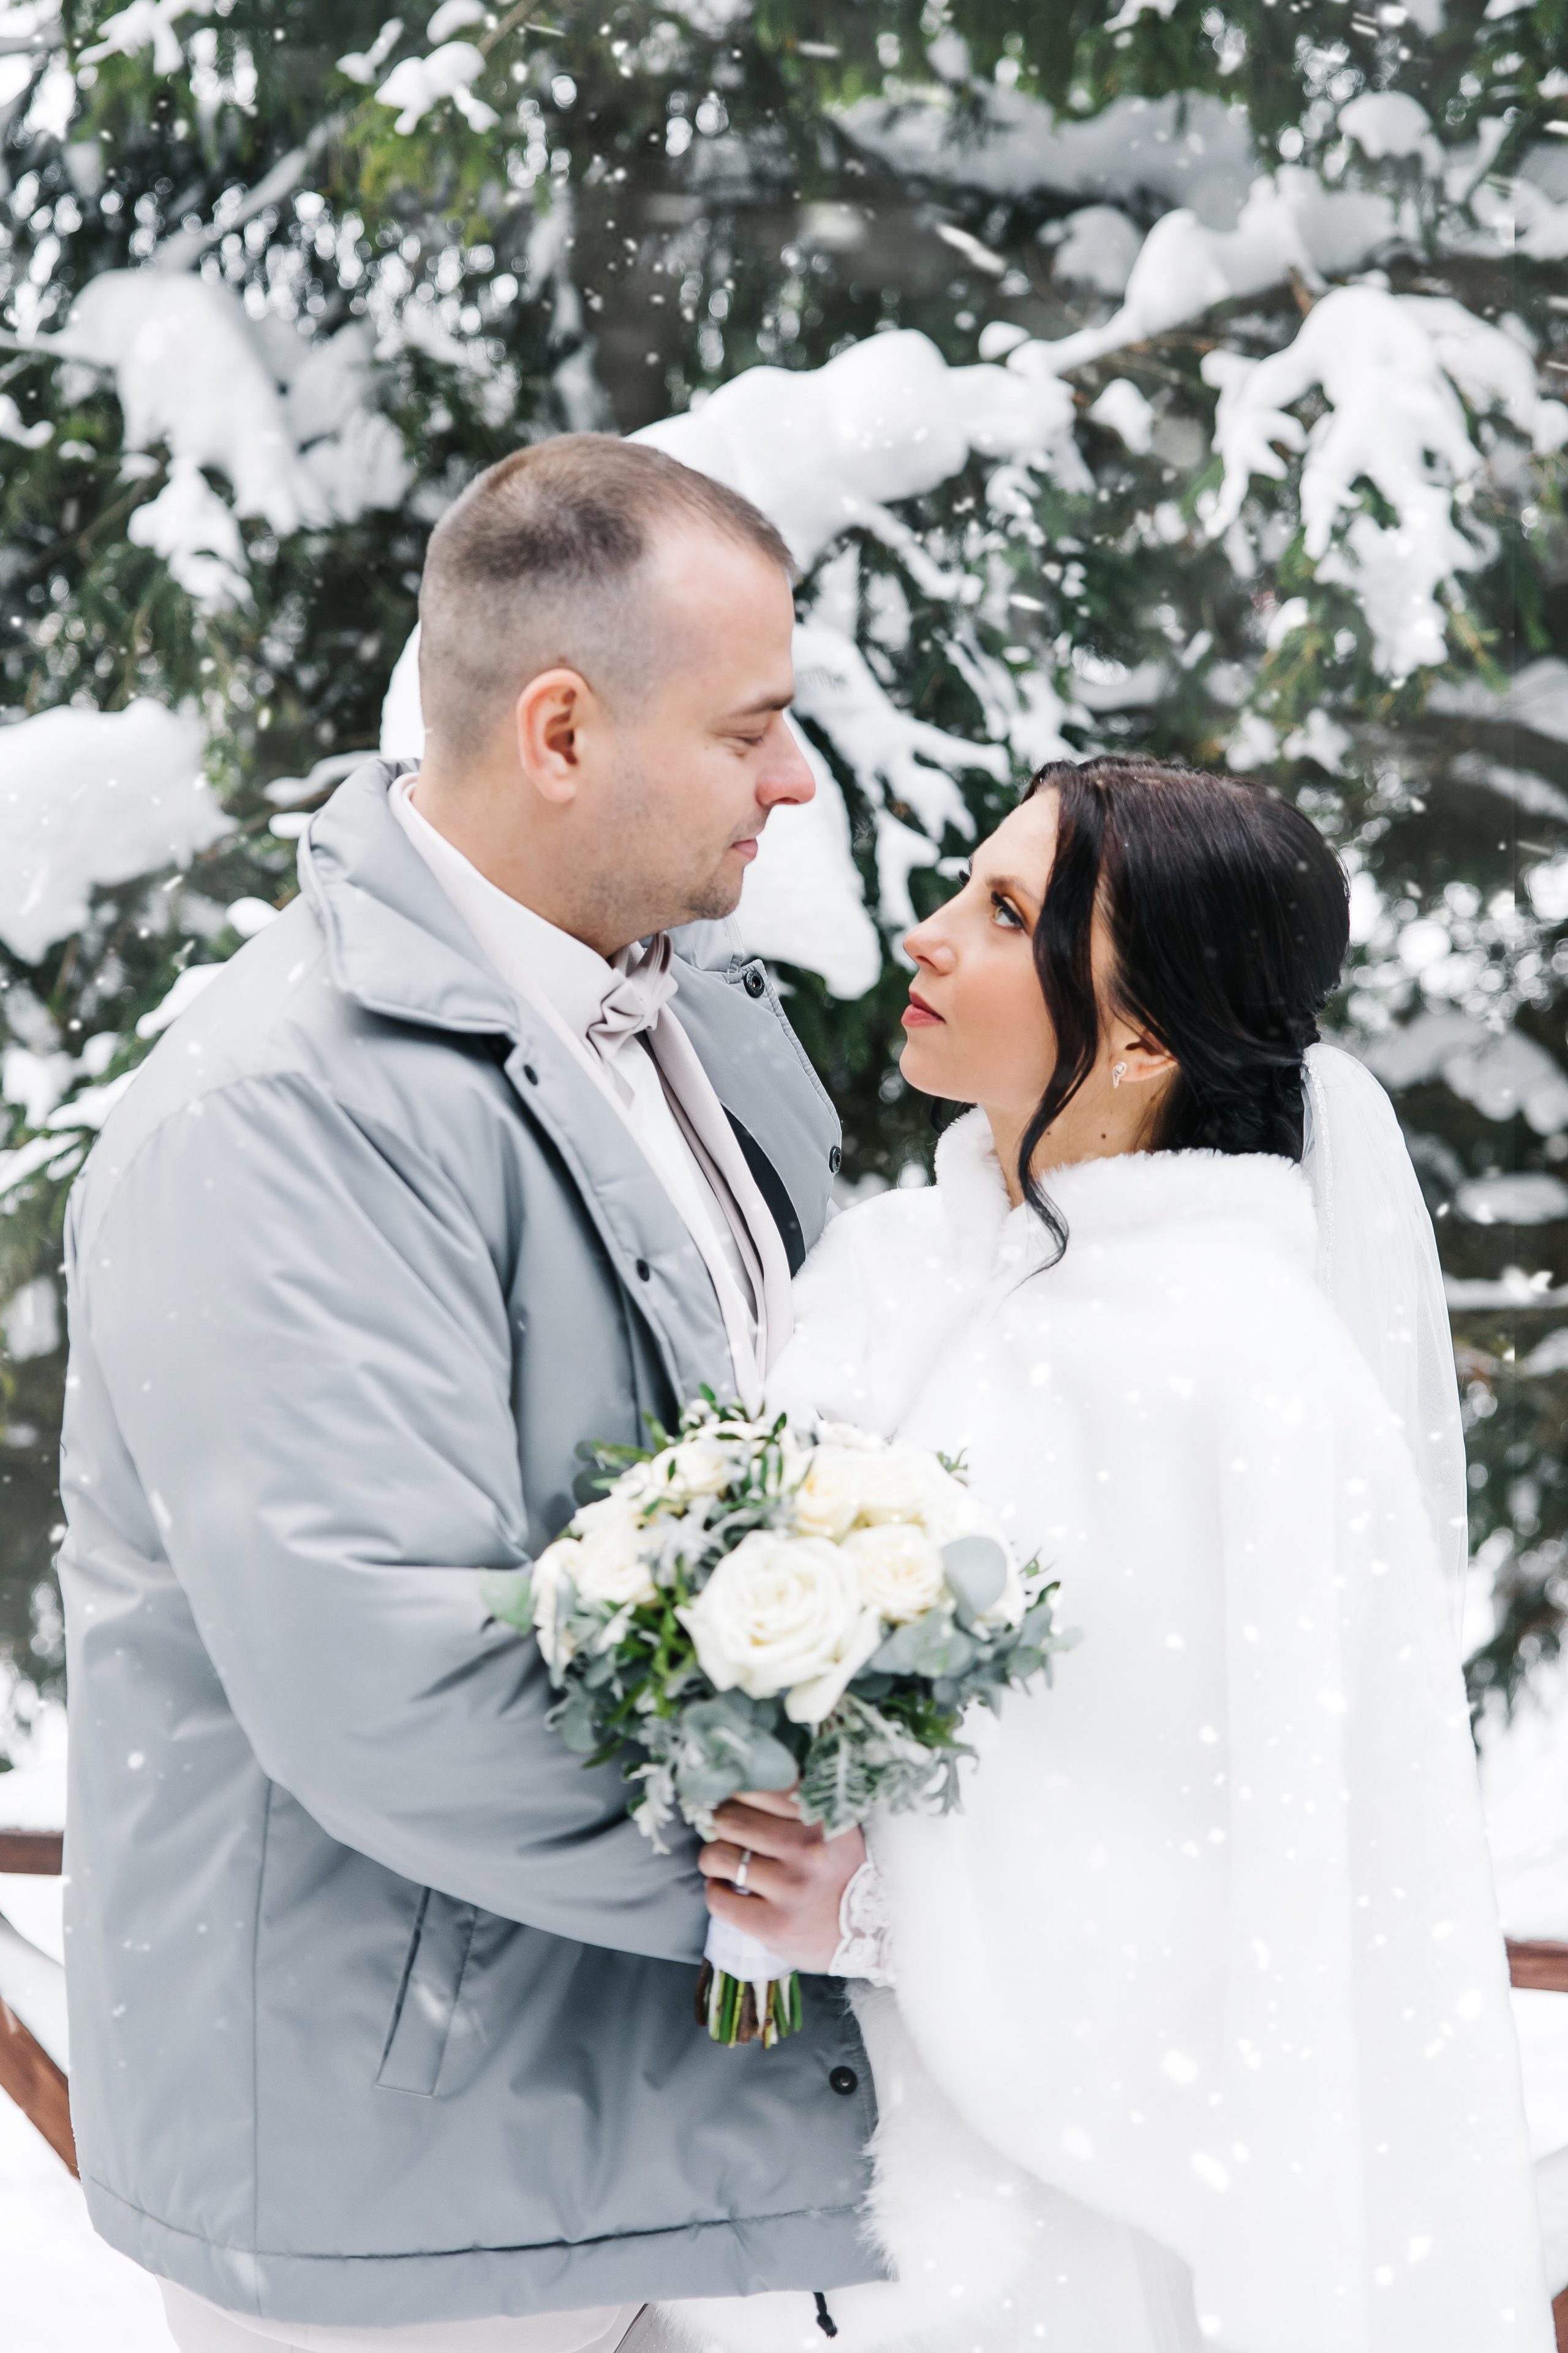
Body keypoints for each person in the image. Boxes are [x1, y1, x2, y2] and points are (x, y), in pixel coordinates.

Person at [56, 437, 876, 2352]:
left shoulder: (712, 1030)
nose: (795, 778)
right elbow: (391, 1676)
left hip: (669, 2102)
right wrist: (835, 1884)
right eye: (753, 725)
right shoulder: (285, 1114)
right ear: (564, 731)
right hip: (403, 2153)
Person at [668, 757, 1550, 2353]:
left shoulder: (1233, 1368)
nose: (929, 938)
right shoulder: (890, 1266)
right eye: (962, 886)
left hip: (1082, 2238)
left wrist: (870, 1910)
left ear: (1141, 1030)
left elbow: (1223, 1884)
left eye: (1004, 913)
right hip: (800, 2192)